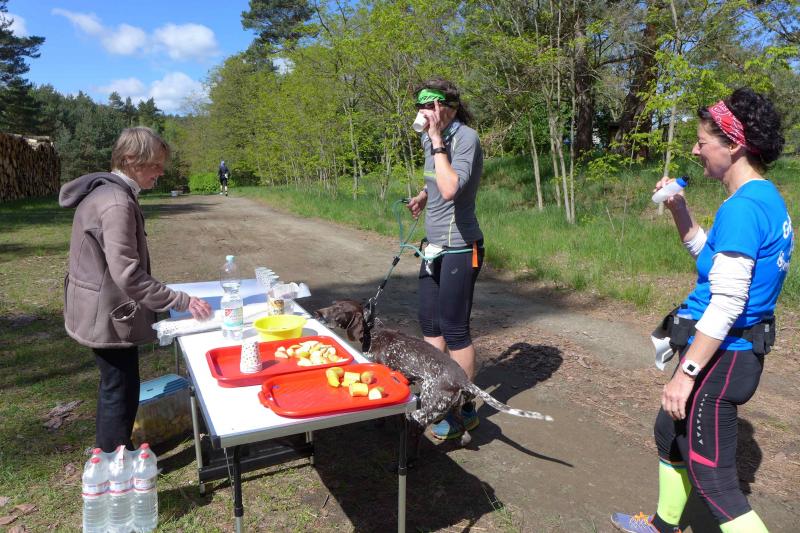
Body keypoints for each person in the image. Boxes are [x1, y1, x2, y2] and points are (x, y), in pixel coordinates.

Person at [611, 88, 792, 533]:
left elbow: (728, 301)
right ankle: (662, 526)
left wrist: (685, 374)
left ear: (735, 145)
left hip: (725, 356)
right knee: (669, 432)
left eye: (702, 141)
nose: (695, 150)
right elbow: (712, 259)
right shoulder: (762, 197)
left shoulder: (744, 209)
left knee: (715, 481)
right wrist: (678, 208)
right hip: (727, 352)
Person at [59, 126, 213, 453]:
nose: (161, 172)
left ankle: (112, 451)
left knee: (118, 384)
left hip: (96, 307)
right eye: (155, 164)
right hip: (104, 313)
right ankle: (115, 461)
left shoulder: (110, 194)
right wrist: (179, 300)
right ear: (130, 160)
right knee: (120, 388)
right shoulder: (116, 202)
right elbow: (128, 274)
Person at [406, 78, 485, 440]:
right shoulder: (429, 139)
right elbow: (437, 180)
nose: (423, 113)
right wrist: (423, 196)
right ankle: (440, 400)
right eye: (419, 106)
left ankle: (464, 407)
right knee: (430, 326)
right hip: (433, 245)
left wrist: (437, 139)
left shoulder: (465, 137)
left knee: (454, 330)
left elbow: (452, 188)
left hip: (461, 246)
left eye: (429, 106)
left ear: (447, 108)